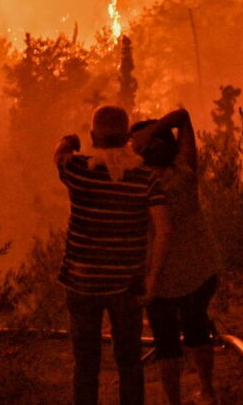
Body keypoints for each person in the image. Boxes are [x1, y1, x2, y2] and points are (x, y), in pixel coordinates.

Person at [54, 105, 171, 405]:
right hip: (128, 285)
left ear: (94, 136)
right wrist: (152, 278)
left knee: (85, 365)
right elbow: (164, 229)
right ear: (127, 137)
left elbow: (59, 155)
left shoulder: (78, 171)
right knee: (130, 362)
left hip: (81, 282)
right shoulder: (145, 177)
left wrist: (69, 140)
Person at [130, 108, 220, 405]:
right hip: (199, 267)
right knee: (197, 330)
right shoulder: (185, 169)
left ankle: (174, 402)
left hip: (160, 275)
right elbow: (183, 115)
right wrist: (155, 129)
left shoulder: (140, 183)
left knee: (166, 342)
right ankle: (207, 391)